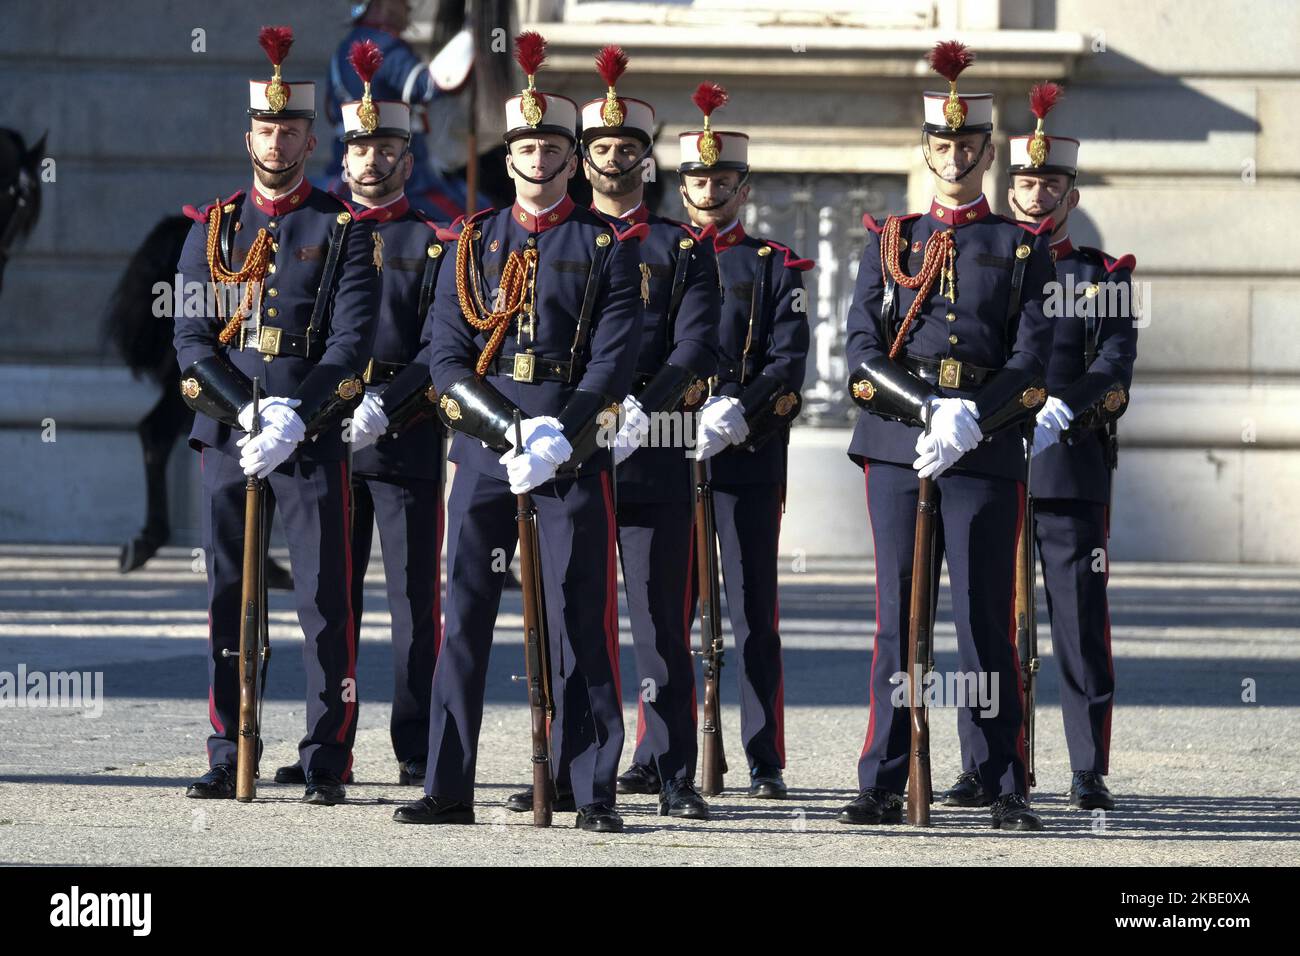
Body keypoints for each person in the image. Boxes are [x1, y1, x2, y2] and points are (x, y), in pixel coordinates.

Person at [392, 32, 645, 832]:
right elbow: (444, 360)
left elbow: (612, 362)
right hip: (484, 451)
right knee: (463, 617)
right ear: (510, 159)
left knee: (581, 618)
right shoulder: (469, 242)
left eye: (553, 146)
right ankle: (447, 784)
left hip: (569, 452)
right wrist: (510, 431)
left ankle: (592, 787)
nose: (539, 158)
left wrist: (558, 435)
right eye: (527, 145)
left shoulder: (604, 246)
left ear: (574, 160)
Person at [838, 41, 1054, 830]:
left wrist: (972, 417)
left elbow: (1032, 366)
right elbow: (860, 358)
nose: (955, 154)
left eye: (968, 144)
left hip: (987, 449)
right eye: (942, 143)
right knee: (898, 619)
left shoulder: (1022, 248)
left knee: (982, 622)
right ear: (925, 149)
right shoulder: (888, 239)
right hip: (900, 445)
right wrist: (926, 410)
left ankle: (1001, 779)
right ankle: (884, 778)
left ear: (988, 151)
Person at [504, 46, 720, 819]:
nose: (614, 158)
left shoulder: (680, 247)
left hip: (652, 446)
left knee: (664, 618)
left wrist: (641, 408)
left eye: (629, 148)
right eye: (601, 147)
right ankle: (572, 765)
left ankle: (669, 768)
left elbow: (697, 348)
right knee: (569, 615)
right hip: (569, 449)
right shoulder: (551, 240)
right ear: (580, 156)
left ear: (646, 159)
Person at [176, 26, 379, 806]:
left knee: (326, 602)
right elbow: (192, 343)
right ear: (249, 135)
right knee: (230, 593)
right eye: (266, 127)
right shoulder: (214, 228)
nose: (277, 139)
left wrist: (296, 414)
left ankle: (327, 755)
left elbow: (353, 341)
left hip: (312, 437)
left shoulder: (340, 230)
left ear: (311, 137)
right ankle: (231, 747)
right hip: (230, 439)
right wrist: (247, 413)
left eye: (290, 128)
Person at [945, 82, 1136, 813]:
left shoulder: (1101, 275)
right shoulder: (981, 257)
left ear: (1069, 190)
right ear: (1007, 183)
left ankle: (1088, 766)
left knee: (1079, 619)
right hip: (990, 458)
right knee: (981, 618)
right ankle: (982, 763)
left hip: (1067, 464)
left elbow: (1114, 365)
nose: (1034, 193)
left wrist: (1070, 407)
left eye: (1048, 181)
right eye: (1024, 180)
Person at [274, 40, 451, 789]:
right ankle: (327, 746)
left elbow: (443, 346)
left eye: (386, 150)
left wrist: (392, 402)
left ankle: (414, 742)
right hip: (325, 436)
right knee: (325, 601)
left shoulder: (436, 242)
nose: (370, 162)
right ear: (340, 158)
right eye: (358, 149)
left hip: (403, 434)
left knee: (413, 606)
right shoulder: (315, 235)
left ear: (408, 161)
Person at [678, 82, 813, 800]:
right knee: (668, 610)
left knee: (754, 610)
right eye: (698, 180)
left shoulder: (774, 265)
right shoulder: (659, 257)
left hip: (749, 454)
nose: (709, 190)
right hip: (674, 455)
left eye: (722, 180)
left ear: (742, 187)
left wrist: (737, 409)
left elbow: (789, 365)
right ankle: (660, 745)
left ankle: (764, 754)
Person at [325, 0, 476, 218]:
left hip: (343, 163)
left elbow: (331, 112)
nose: (409, 9)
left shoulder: (343, 47)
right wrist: (470, 40)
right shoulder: (383, 45)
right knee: (462, 220)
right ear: (383, 5)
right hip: (400, 169)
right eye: (402, 3)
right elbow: (426, 86)